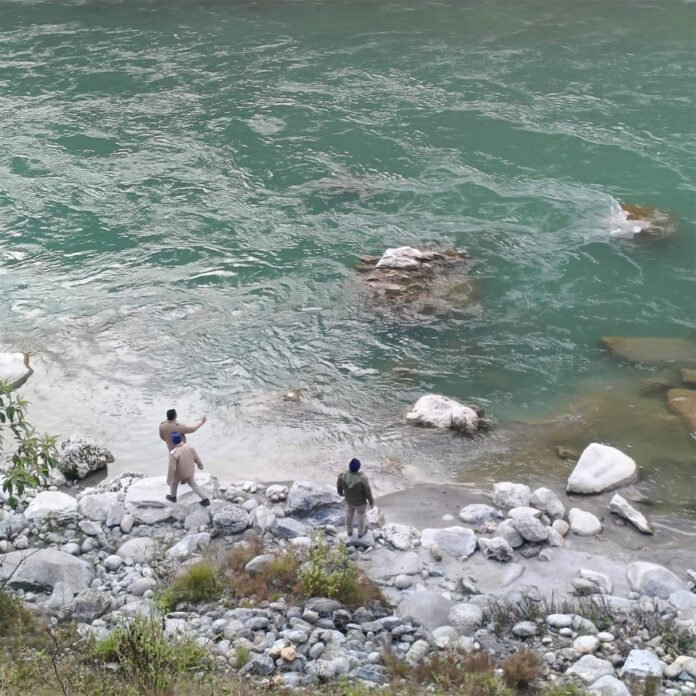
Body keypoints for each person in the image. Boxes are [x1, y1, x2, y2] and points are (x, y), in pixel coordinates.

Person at [166, 431, 210, 506]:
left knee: (174, 483)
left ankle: (173, 497)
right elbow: (196, 458)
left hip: (180, 475)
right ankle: (205, 499)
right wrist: (200, 465)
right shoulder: (189, 447)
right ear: (180, 439)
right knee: (194, 485)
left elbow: (172, 469)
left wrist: (169, 479)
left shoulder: (174, 453)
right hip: (190, 472)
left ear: (173, 442)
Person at [336, 458, 374, 538]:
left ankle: (349, 531)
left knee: (349, 515)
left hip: (349, 500)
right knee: (361, 516)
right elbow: (368, 491)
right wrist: (371, 501)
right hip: (360, 503)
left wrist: (341, 493)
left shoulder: (343, 476)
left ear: (349, 466)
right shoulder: (362, 479)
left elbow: (339, 486)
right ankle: (361, 533)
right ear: (358, 468)